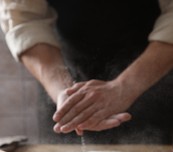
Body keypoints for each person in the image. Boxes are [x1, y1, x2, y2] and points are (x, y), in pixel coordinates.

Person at [0, 0, 173, 144]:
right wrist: (65, 92)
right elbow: (25, 20)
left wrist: (125, 86)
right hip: (63, 71)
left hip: (156, 72)